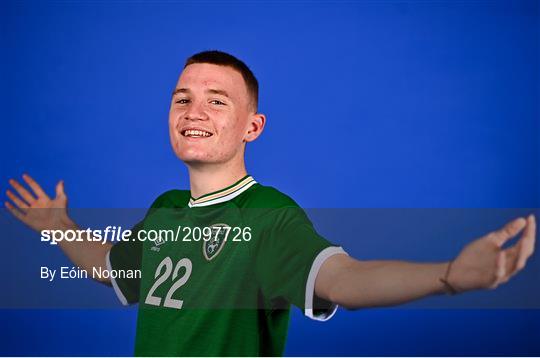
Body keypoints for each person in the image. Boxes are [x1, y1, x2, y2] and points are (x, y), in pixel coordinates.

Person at [5, 50, 536, 356]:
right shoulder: (165, 207)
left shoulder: (268, 216)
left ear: (251, 127)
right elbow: (115, 269)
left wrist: (445, 275)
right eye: (182, 98)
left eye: (218, 101)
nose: (194, 110)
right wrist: (59, 226)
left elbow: (343, 281)